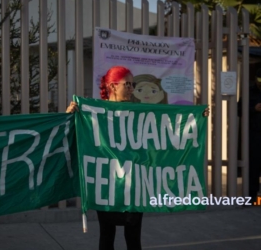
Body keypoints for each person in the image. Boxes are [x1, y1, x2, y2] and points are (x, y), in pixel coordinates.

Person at [67, 66, 210, 250]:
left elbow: (167, 127)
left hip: (135, 183)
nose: (131, 88)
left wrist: (197, 118)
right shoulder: (95, 112)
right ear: (112, 86)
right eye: (127, 84)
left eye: (133, 84)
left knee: (133, 236)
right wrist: (71, 113)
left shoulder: (139, 111)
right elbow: (73, 133)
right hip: (108, 184)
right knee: (107, 235)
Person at [238, 68, 261, 203]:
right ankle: (252, 196)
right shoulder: (249, 93)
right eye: (259, 80)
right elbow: (239, 109)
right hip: (254, 134)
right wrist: (254, 109)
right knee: (254, 166)